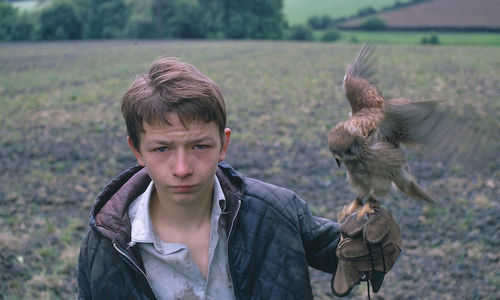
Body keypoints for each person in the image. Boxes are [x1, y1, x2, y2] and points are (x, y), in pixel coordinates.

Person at [77, 57, 401, 299]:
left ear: (224, 144)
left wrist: (373, 241)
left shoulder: (276, 211)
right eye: (161, 148)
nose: (182, 168)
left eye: (199, 145)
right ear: (137, 150)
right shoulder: (106, 244)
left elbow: (342, 251)